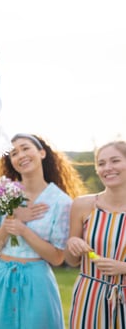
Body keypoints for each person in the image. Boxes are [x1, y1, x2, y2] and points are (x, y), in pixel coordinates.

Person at [0, 133, 85, 329]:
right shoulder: (1, 193)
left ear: (42, 153)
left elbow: (57, 258)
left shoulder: (61, 202)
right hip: (2, 277)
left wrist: (23, 230)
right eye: (13, 153)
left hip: (38, 282)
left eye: (25, 148)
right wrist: (11, 220)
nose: (20, 155)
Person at [64, 140, 126, 329]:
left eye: (115, 161)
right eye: (101, 163)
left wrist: (123, 268)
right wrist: (73, 243)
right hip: (89, 296)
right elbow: (71, 260)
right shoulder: (82, 205)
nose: (107, 168)